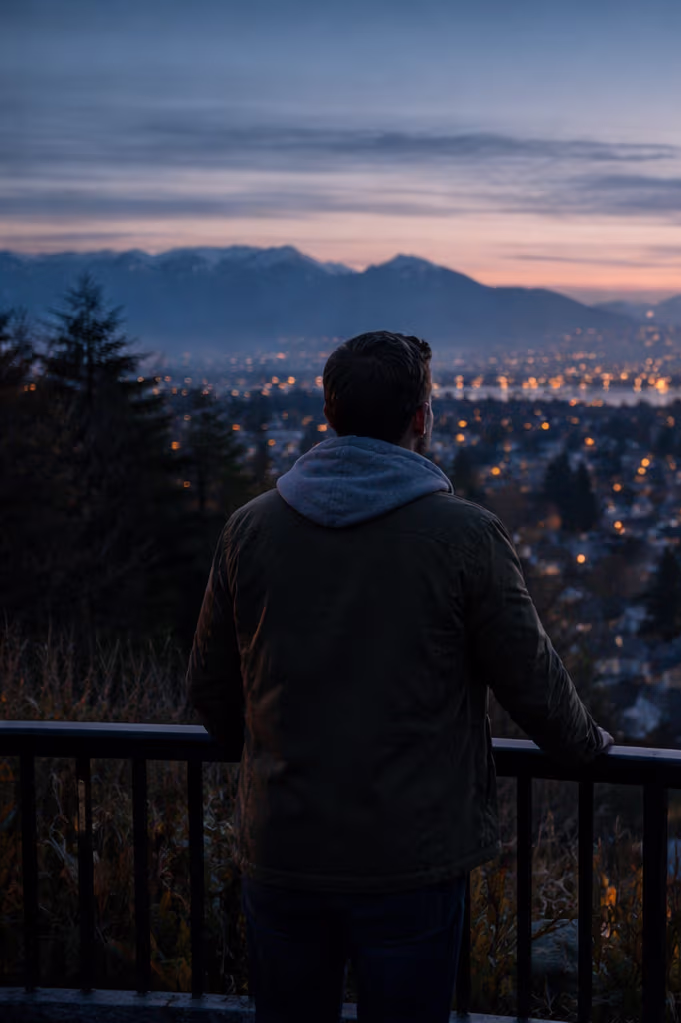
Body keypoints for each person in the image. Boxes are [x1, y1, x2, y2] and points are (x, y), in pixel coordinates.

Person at [187, 330, 612, 1022]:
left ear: (332, 414)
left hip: (284, 847)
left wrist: (270, 763)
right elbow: (532, 680)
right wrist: (589, 750)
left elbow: (210, 687)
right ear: (419, 418)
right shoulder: (464, 537)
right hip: (408, 859)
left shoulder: (250, 529)